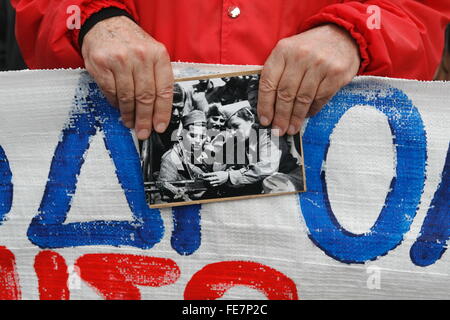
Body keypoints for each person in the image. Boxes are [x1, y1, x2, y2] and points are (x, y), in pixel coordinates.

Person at [11, 1, 450, 141]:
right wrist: (94, 18)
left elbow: (421, 9)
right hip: (121, 162)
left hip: (327, 168)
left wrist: (354, 31)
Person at [203, 101, 303, 195]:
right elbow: (221, 165)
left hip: (286, 181)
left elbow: (266, 168)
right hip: (259, 184)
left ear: (250, 120)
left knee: (271, 183)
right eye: (229, 128)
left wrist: (229, 176)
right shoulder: (235, 140)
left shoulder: (268, 135)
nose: (232, 132)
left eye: (236, 126)